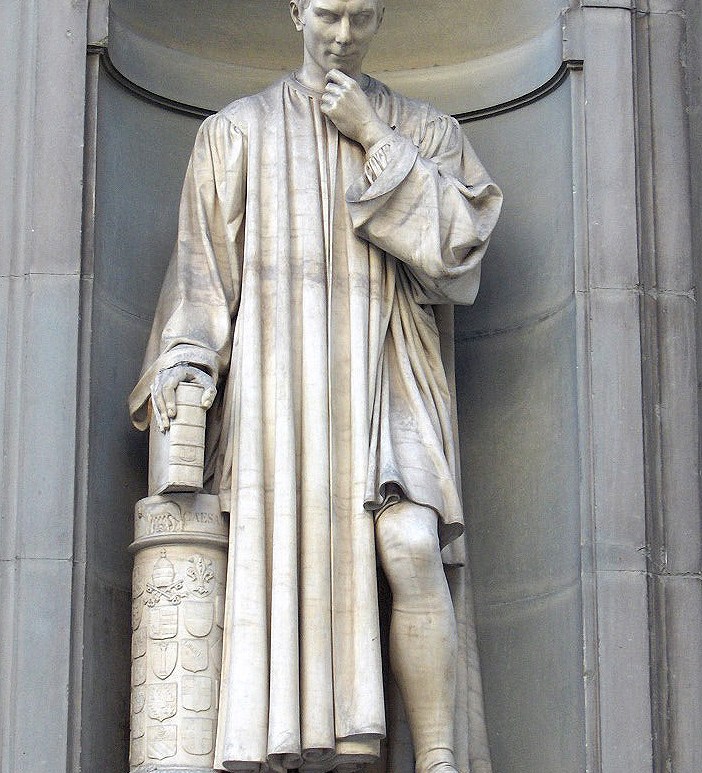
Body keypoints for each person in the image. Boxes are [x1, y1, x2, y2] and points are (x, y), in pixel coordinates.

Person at [129, 1, 502, 771]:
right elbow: (201, 283)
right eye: (329, 14)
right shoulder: (237, 132)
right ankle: (302, 736)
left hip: (392, 369)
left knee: (411, 541)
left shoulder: (426, 131)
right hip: (281, 389)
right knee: (287, 571)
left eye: (361, 17)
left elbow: (457, 250)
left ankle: (438, 756)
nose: (343, 35)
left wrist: (374, 136)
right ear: (296, 10)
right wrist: (187, 367)